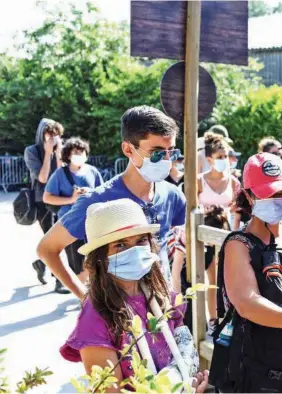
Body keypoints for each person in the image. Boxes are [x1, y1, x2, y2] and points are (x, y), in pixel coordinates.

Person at [37, 106, 187, 299]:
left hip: (162, 313)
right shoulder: (97, 201)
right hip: (117, 318)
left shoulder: (172, 196)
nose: (167, 161)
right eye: (157, 153)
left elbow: (172, 249)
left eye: (171, 153)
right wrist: (85, 298)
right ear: (128, 149)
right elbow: (47, 249)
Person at [60, 199, 208, 391]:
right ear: (100, 257)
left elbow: (183, 351)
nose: (135, 251)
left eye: (140, 241)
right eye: (120, 245)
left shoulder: (161, 294)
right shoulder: (95, 317)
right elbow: (109, 390)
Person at [210, 152, 282, 392]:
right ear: (249, 196)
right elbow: (247, 303)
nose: (275, 199)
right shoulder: (239, 244)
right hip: (257, 368)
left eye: (281, 193)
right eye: (267, 193)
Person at [43, 137, 103, 285]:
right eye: (76, 152)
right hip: (70, 223)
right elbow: (47, 197)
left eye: (82, 152)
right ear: (68, 155)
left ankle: (92, 293)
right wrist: (71, 199)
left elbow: (102, 193)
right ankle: (82, 297)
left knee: (95, 260)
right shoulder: (59, 174)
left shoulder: (93, 171)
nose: (79, 154)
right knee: (77, 263)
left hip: (92, 222)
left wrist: (89, 192)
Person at [198, 133, 241, 328]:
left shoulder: (233, 182)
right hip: (204, 236)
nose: (224, 161)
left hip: (226, 233)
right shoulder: (199, 181)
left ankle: (227, 316)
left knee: (227, 277)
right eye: (220, 157)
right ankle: (212, 317)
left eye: (226, 157)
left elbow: (237, 209)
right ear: (209, 159)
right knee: (210, 276)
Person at [24, 119, 66, 292]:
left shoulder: (59, 150)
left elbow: (61, 174)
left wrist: (58, 154)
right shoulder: (31, 151)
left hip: (60, 198)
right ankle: (59, 280)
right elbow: (42, 178)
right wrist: (48, 154)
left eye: (55, 134)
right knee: (53, 239)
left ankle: (41, 263)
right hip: (42, 201)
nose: (52, 138)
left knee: (59, 239)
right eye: (49, 134)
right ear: (42, 134)